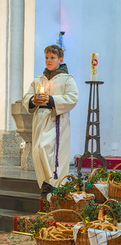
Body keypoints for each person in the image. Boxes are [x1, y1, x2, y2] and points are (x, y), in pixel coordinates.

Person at [23, 44, 78, 197]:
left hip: (56, 119)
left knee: (47, 149)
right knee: (37, 152)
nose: (48, 60)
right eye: (46, 57)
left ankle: (53, 183)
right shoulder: (38, 80)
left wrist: (52, 100)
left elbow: (72, 98)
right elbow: (26, 98)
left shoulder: (67, 79)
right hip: (40, 120)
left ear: (60, 59)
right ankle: (45, 186)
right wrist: (33, 100)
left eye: (52, 58)